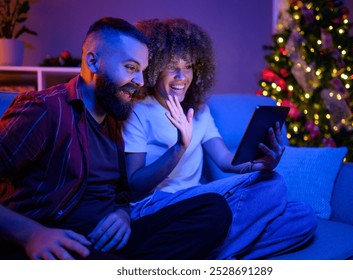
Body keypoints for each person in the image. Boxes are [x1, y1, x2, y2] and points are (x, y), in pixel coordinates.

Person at [0, 17, 233, 260]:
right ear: (93, 61)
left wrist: (122, 213)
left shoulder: (117, 117)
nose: (141, 82)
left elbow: (124, 191)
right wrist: (32, 234)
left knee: (214, 210)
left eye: (143, 71)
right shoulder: (44, 109)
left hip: (111, 239)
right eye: (131, 68)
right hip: (62, 242)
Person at [123, 18, 317, 260]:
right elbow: (134, 185)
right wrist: (179, 148)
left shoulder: (199, 110)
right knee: (274, 185)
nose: (181, 76)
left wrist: (260, 164)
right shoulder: (138, 110)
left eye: (189, 66)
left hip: (200, 202)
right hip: (156, 206)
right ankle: (218, 250)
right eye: (172, 66)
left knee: (303, 216)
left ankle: (208, 252)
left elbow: (225, 160)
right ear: (154, 67)